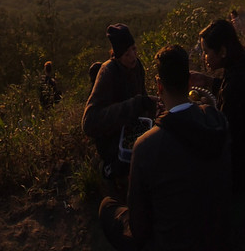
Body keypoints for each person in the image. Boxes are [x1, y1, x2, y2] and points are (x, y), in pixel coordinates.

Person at [99, 45, 231, 251]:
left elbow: (138, 226)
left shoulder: (146, 146)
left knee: (107, 206)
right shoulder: (216, 119)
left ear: (159, 86)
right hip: (218, 232)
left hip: (172, 243)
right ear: (189, 81)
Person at [192, 19, 245, 191]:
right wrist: (208, 81)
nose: (204, 57)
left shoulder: (234, 86)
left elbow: (225, 137)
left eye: (206, 52)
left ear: (222, 51)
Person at [82, 24, 156, 178]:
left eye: (134, 50)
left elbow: (142, 101)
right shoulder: (108, 72)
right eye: (126, 54)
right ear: (117, 55)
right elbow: (89, 122)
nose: (133, 57)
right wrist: (135, 104)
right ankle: (105, 169)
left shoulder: (137, 67)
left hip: (132, 135)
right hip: (112, 145)